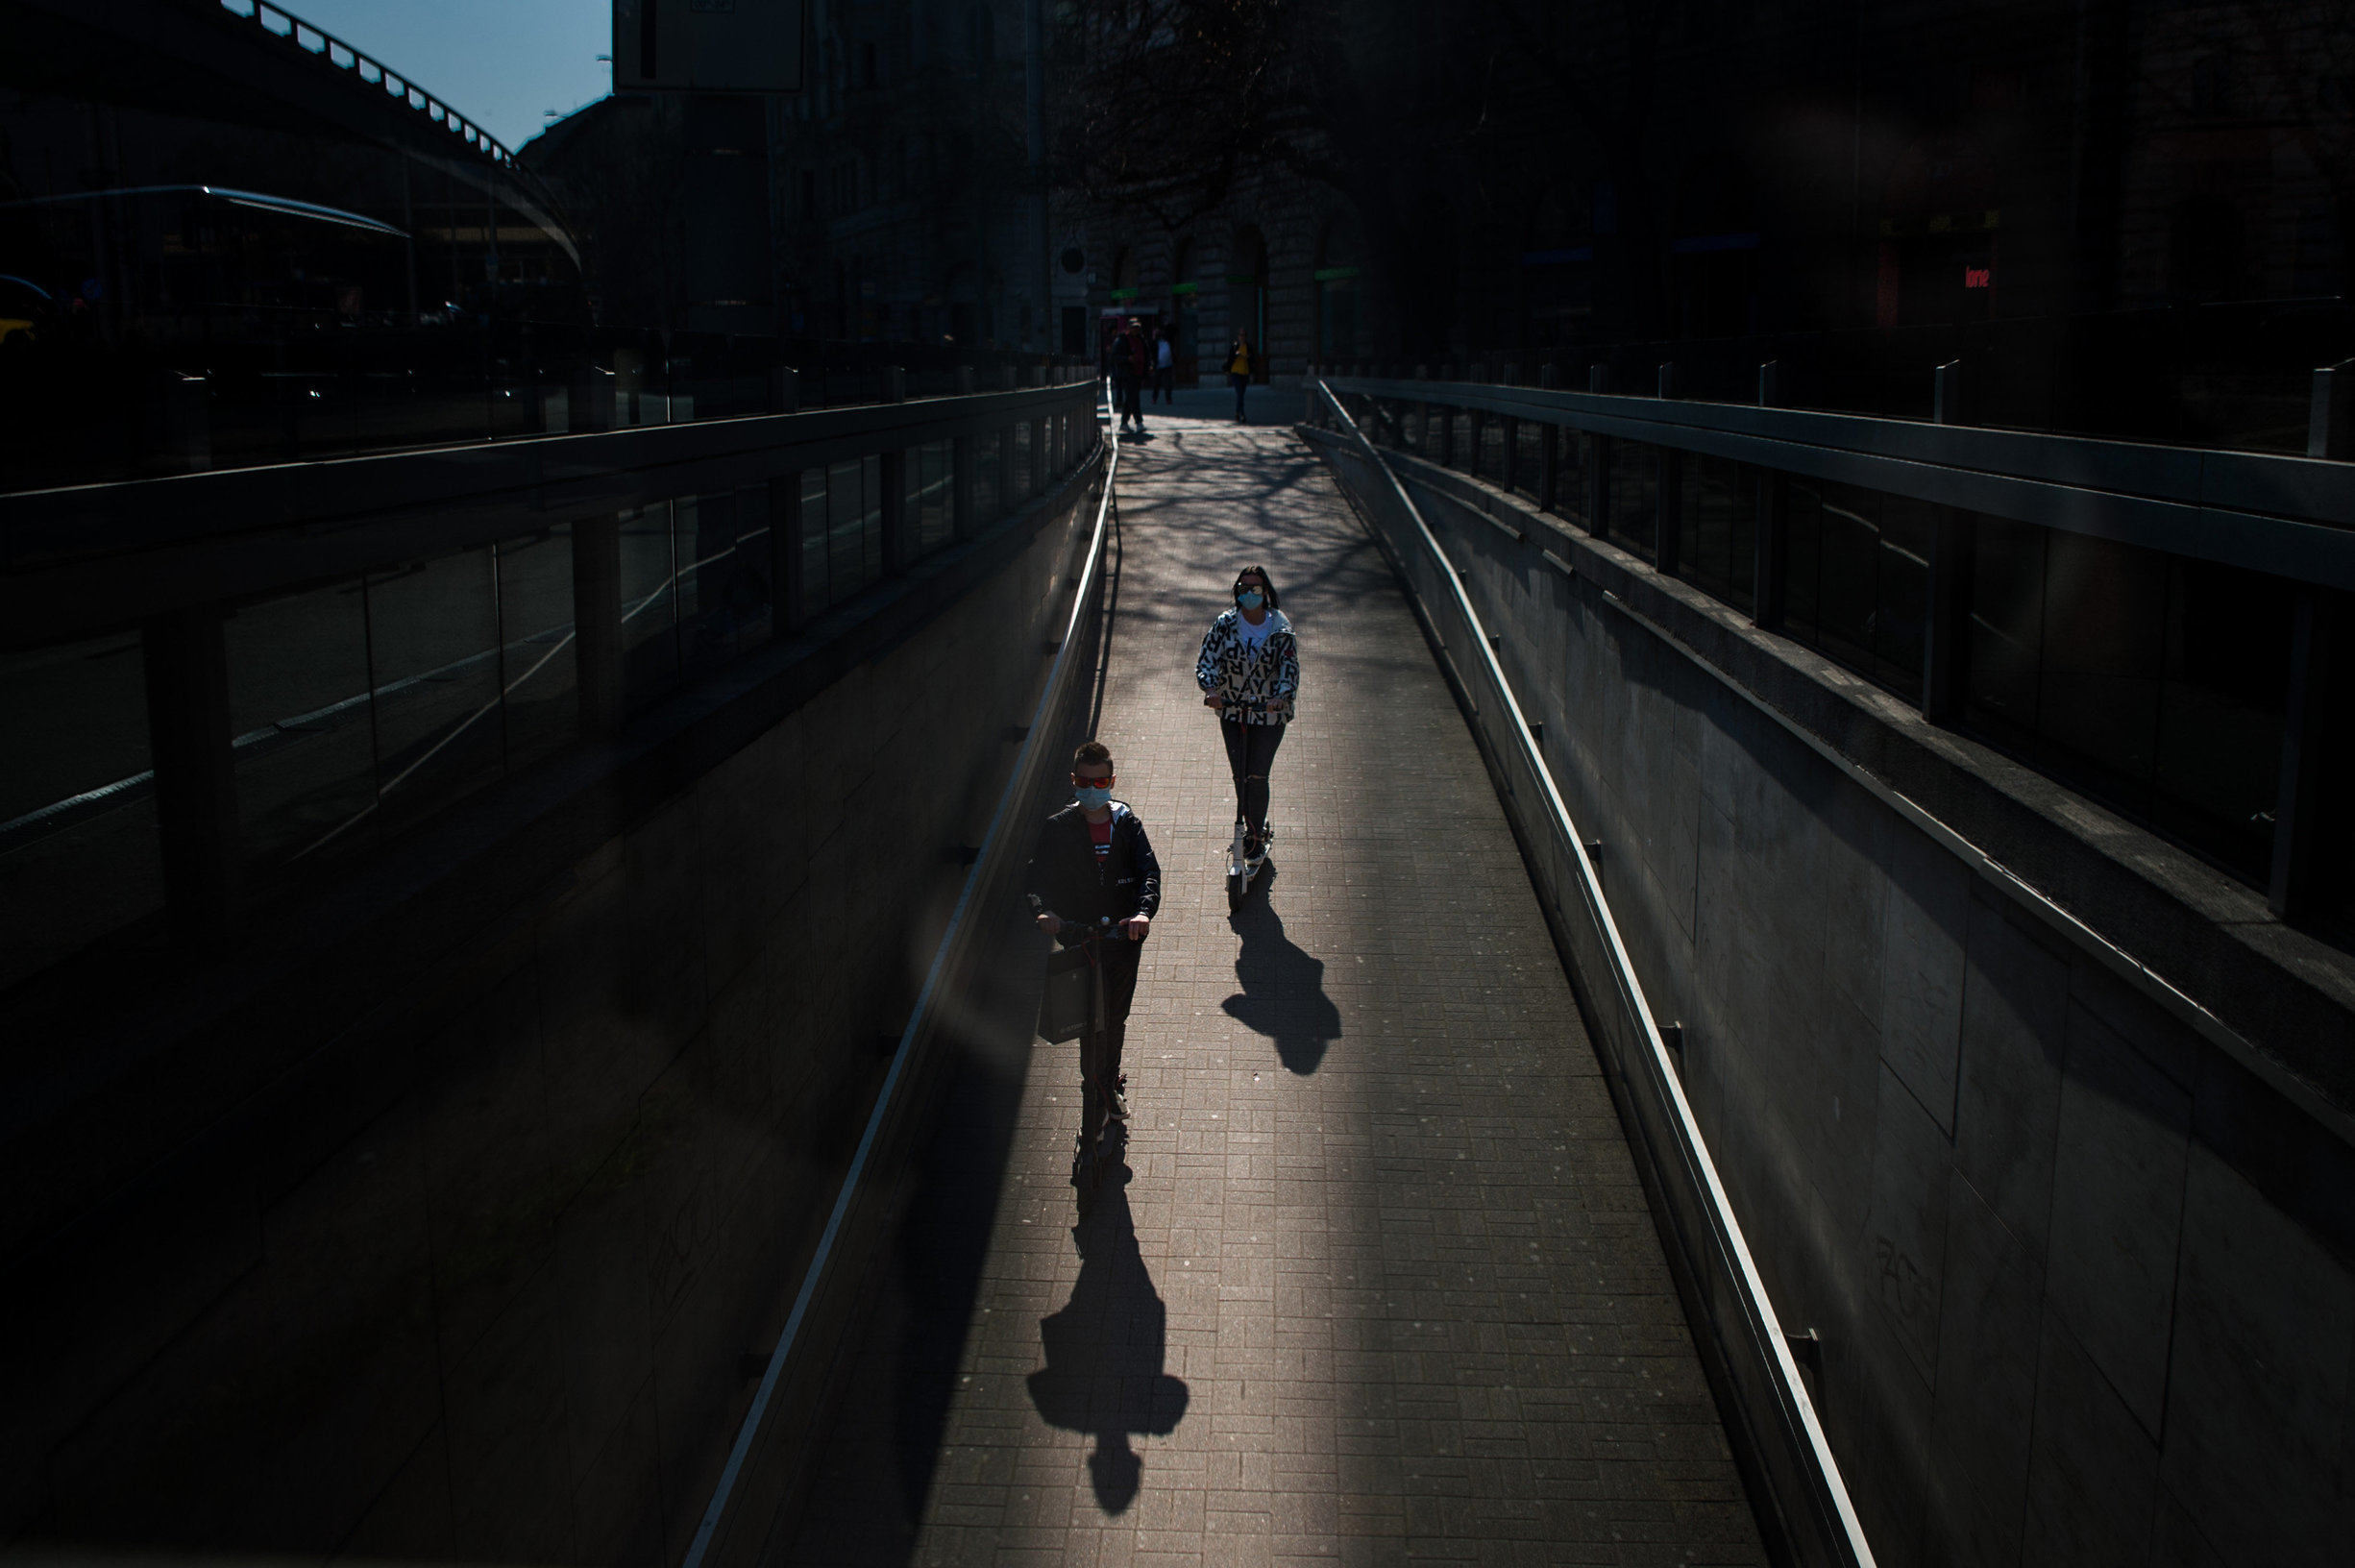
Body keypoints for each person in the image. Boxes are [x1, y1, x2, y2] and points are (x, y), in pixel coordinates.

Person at [1025, 740, 1161, 1178]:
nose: (1092, 790)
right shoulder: (1059, 828)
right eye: (1084, 782)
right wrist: (1044, 912)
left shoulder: (1127, 823)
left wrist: (1141, 912)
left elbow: (1148, 873)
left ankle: (1107, 1087)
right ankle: (1100, 1096)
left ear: (1112, 782)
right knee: (1088, 1024)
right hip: (1081, 942)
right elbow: (1036, 879)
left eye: (1100, 782)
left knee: (1114, 1019)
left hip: (1121, 941)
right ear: (1074, 782)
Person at [1195, 565, 1297, 863]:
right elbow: (1207, 658)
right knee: (1240, 774)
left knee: (1256, 774)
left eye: (1255, 589)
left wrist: (1280, 696)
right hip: (1234, 709)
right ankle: (1250, 826)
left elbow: (1290, 668)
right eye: (1243, 589)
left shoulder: (1280, 627)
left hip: (1268, 714)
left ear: (1265, 592)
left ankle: (1254, 836)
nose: (1248, 595)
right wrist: (1211, 689)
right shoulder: (1225, 624)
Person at [1114, 317, 1147, 434]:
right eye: (1133, 327)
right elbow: (1115, 358)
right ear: (1128, 328)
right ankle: (1139, 422)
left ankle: (1124, 423)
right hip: (1126, 374)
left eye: (1137, 328)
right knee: (1134, 398)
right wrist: (1127, 359)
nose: (1136, 330)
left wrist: (1149, 367)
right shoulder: (1121, 341)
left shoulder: (1141, 340)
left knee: (1130, 399)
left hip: (1138, 372)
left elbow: (1146, 354)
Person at [1226, 332, 1255, 423]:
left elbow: (1252, 361)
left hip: (1245, 373)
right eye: (1240, 335)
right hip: (1235, 373)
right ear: (1238, 337)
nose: (1242, 337)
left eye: (1244, 335)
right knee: (1239, 394)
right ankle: (1242, 414)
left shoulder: (1248, 347)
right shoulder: (1235, 346)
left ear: (1246, 337)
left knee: (1241, 394)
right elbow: (1230, 358)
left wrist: (1252, 373)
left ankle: (1237, 412)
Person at [1152, 326, 1176, 404]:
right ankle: (1154, 398)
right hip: (1159, 365)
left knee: (1167, 383)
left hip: (1168, 364)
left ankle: (1168, 399)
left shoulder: (1168, 340)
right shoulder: (1155, 342)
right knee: (1156, 383)